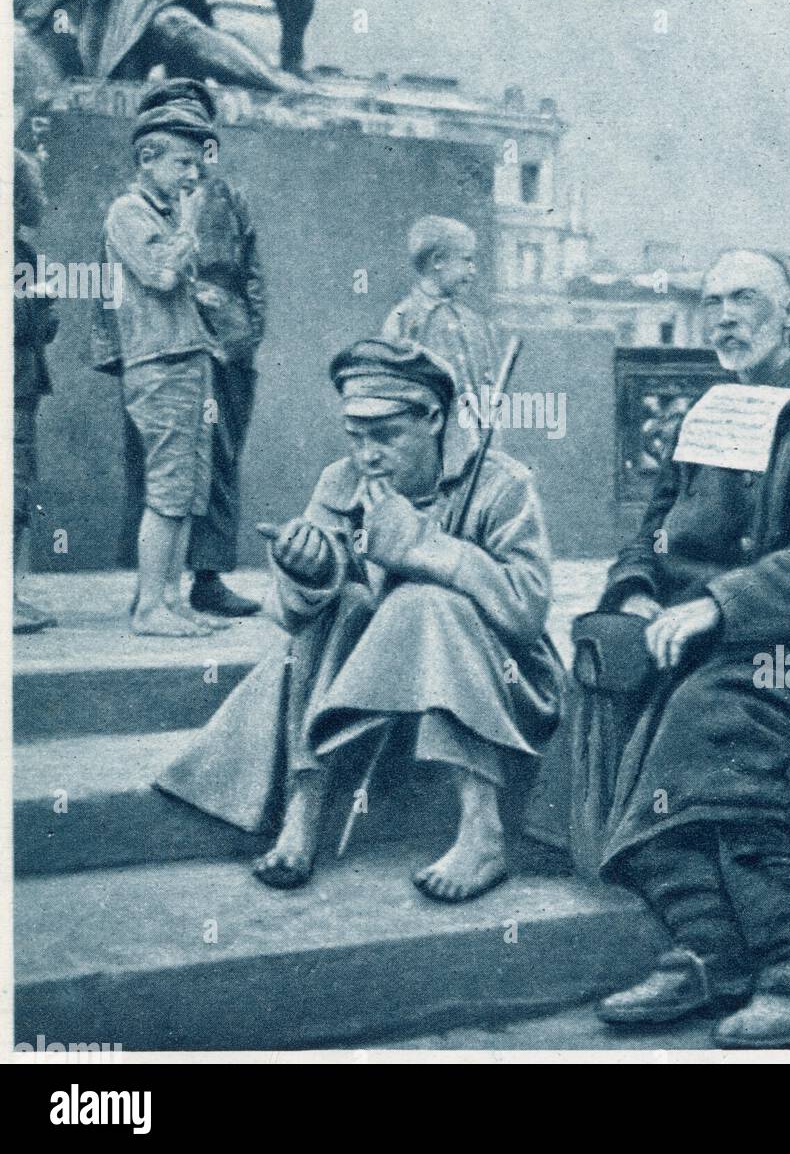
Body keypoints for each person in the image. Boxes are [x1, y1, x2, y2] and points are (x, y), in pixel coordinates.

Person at [582, 249, 790, 1047]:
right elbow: (650, 534)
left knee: (710, 712)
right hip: (704, 633)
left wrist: (719, 606)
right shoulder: (712, 412)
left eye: (743, 298)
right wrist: (632, 593)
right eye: (709, 300)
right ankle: (709, 950)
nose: (722, 315)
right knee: (606, 700)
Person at [156, 339, 565, 903]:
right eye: (356, 436)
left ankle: (482, 829)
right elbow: (294, 615)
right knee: (341, 606)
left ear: (434, 419)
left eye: (386, 435)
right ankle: (305, 800)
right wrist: (310, 569)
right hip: (373, 696)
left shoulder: (500, 481)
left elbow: (525, 611)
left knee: (424, 601)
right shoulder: (341, 482)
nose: (367, 454)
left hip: (501, 688)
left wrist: (428, 550)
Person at [119, 79, 266, 618]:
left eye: (202, 140)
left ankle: (198, 582)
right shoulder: (138, 208)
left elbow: (250, 273)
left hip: (219, 348)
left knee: (207, 470)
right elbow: (139, 283)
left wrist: (245, 335)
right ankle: (153, 592)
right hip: (162, 354)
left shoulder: (225, 197)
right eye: (183, 142)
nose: (196, 163)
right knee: (163, 476)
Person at [103, 94, 223, 637]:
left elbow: (172, 285)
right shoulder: (128, 212)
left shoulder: (162, 213)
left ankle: (169, 600)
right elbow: (158, 276)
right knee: (169, 485)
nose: (192, 174)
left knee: (188, 488)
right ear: (147, 158)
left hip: (185, 358)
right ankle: (150, 606)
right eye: (182, 162)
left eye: (197, 163)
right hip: (160, 363)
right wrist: (190, 227)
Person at [381, 215, 498, 415]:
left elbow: (490, 393)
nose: (473, 269)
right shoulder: (403, 319)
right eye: (466, 260)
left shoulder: (474, 322)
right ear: (438, 261)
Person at [13, 150, 59, 633]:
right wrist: (37, 302)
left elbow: (44, 325)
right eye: (37, 190)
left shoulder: (23, 252)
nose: (43, 199)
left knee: (20, 489)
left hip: (22, 385)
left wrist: (41, 308)